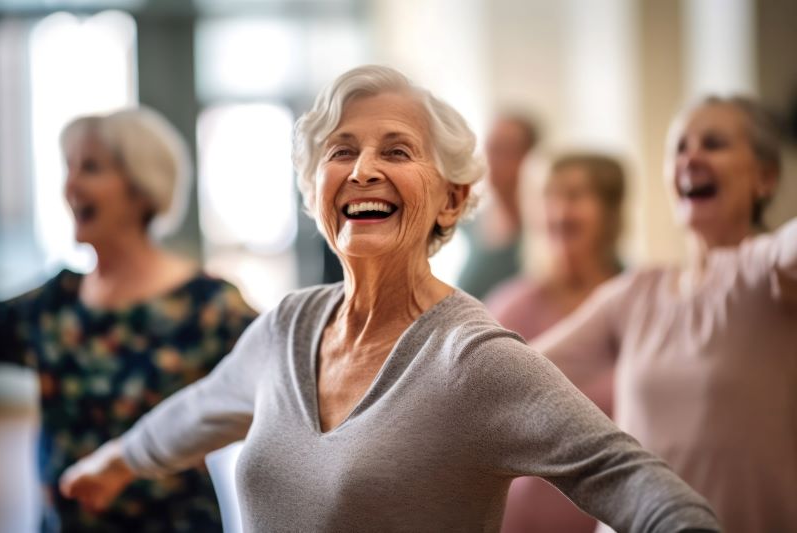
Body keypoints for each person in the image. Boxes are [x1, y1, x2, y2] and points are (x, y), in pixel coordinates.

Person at [59, 66, 720, 533]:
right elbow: (200, 409)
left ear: (453, 197)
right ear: (315, 188)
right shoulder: (286, 326)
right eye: (340, 150)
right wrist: (111, 463)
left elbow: (626, 475)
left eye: (396, 150)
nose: (363, 168)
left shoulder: (473, 359)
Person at [530, 95, 797, 533]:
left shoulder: (768, 272)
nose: (691, 158)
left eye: (713, 144)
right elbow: (521, 373)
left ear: (765, 177)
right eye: (679, 148)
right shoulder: (637, 292)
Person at [0, 107, 258, 532]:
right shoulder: (55, 302)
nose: (70, 184)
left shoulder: (208, 306)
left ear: (142, 187)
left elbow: (283, 386)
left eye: (92, 168)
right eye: (70, 167)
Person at [487, 153, 626, 532]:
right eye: (549, 196)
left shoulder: (638, 301)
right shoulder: (508, 307)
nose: (560, 211)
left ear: (609, 211)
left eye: (576, 195)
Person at [456, 113, 539, 299]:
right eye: (490, 148)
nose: (492, 159)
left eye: (506, 150)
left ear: (530, 156)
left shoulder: (545, 228)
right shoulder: (470, 221)